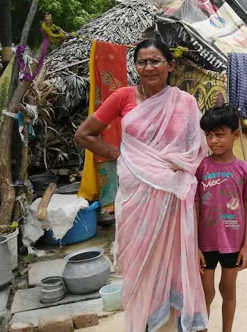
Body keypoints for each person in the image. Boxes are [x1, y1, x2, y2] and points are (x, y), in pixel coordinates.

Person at [75, 39, 209, 332]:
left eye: (156, 61)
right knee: (140, 263)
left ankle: (173, 324)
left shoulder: (185, 102)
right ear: (135, 66)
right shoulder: (123, 97)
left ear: (170, 66)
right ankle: (148, 324)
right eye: (142, 62)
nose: (148, 67)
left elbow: (197, 149)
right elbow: (84, 134)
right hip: (136, 197)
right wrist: (117, 153)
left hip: (173, 196)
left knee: (173, 262)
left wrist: (177, 167)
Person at [196, 105, 247, 332]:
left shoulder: (245, 170)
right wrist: (194, 245)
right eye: (208, 135)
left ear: (235, 135)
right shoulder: (200, 168)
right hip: (205, 244)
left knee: (228, 290)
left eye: (219, 134)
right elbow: (194, 206)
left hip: (233, 244)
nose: (213, 141)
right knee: (206, 293)